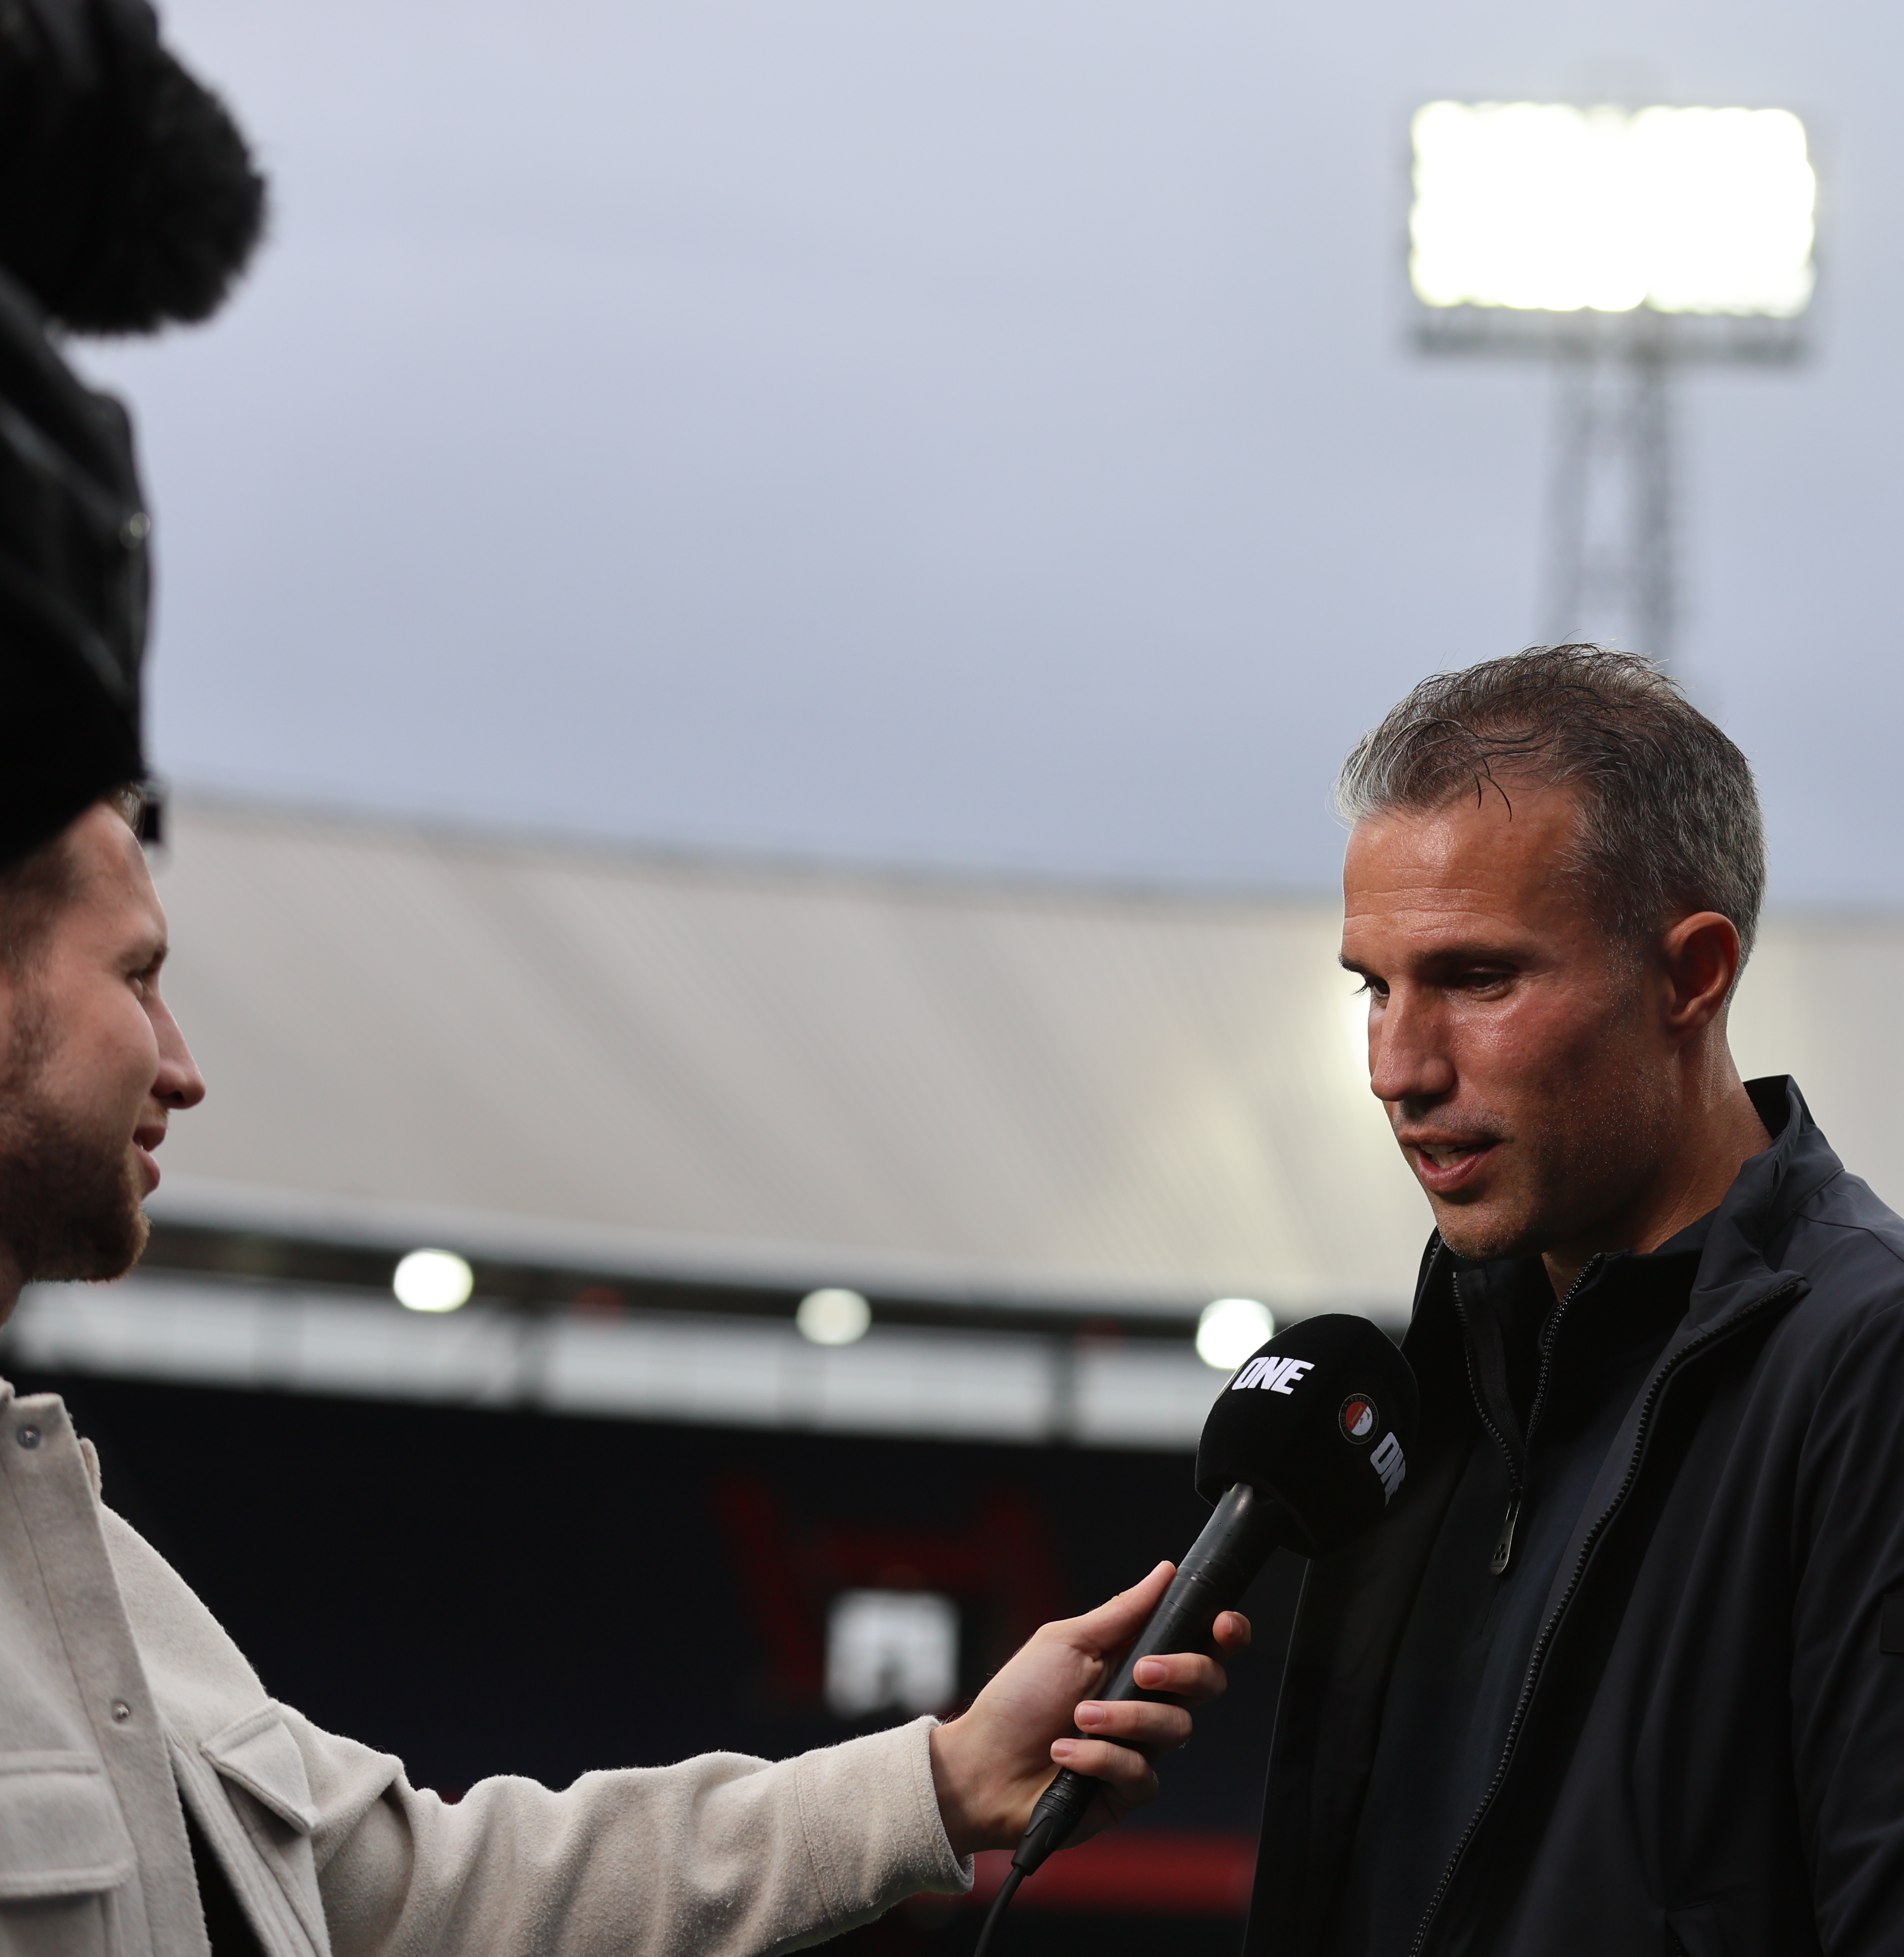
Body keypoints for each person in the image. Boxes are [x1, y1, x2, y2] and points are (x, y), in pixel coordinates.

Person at [2, 10, 1242, 1953]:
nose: (183, 1062)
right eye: (136, 978)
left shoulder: (75, 1559)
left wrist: (922, 1782)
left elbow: (415, 1896)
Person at [1247, 648, 1904, 1955]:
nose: (1397, 1067)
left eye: (1478, 980)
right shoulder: (1433, 1392)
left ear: (1693, 975)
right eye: (1375, 987)